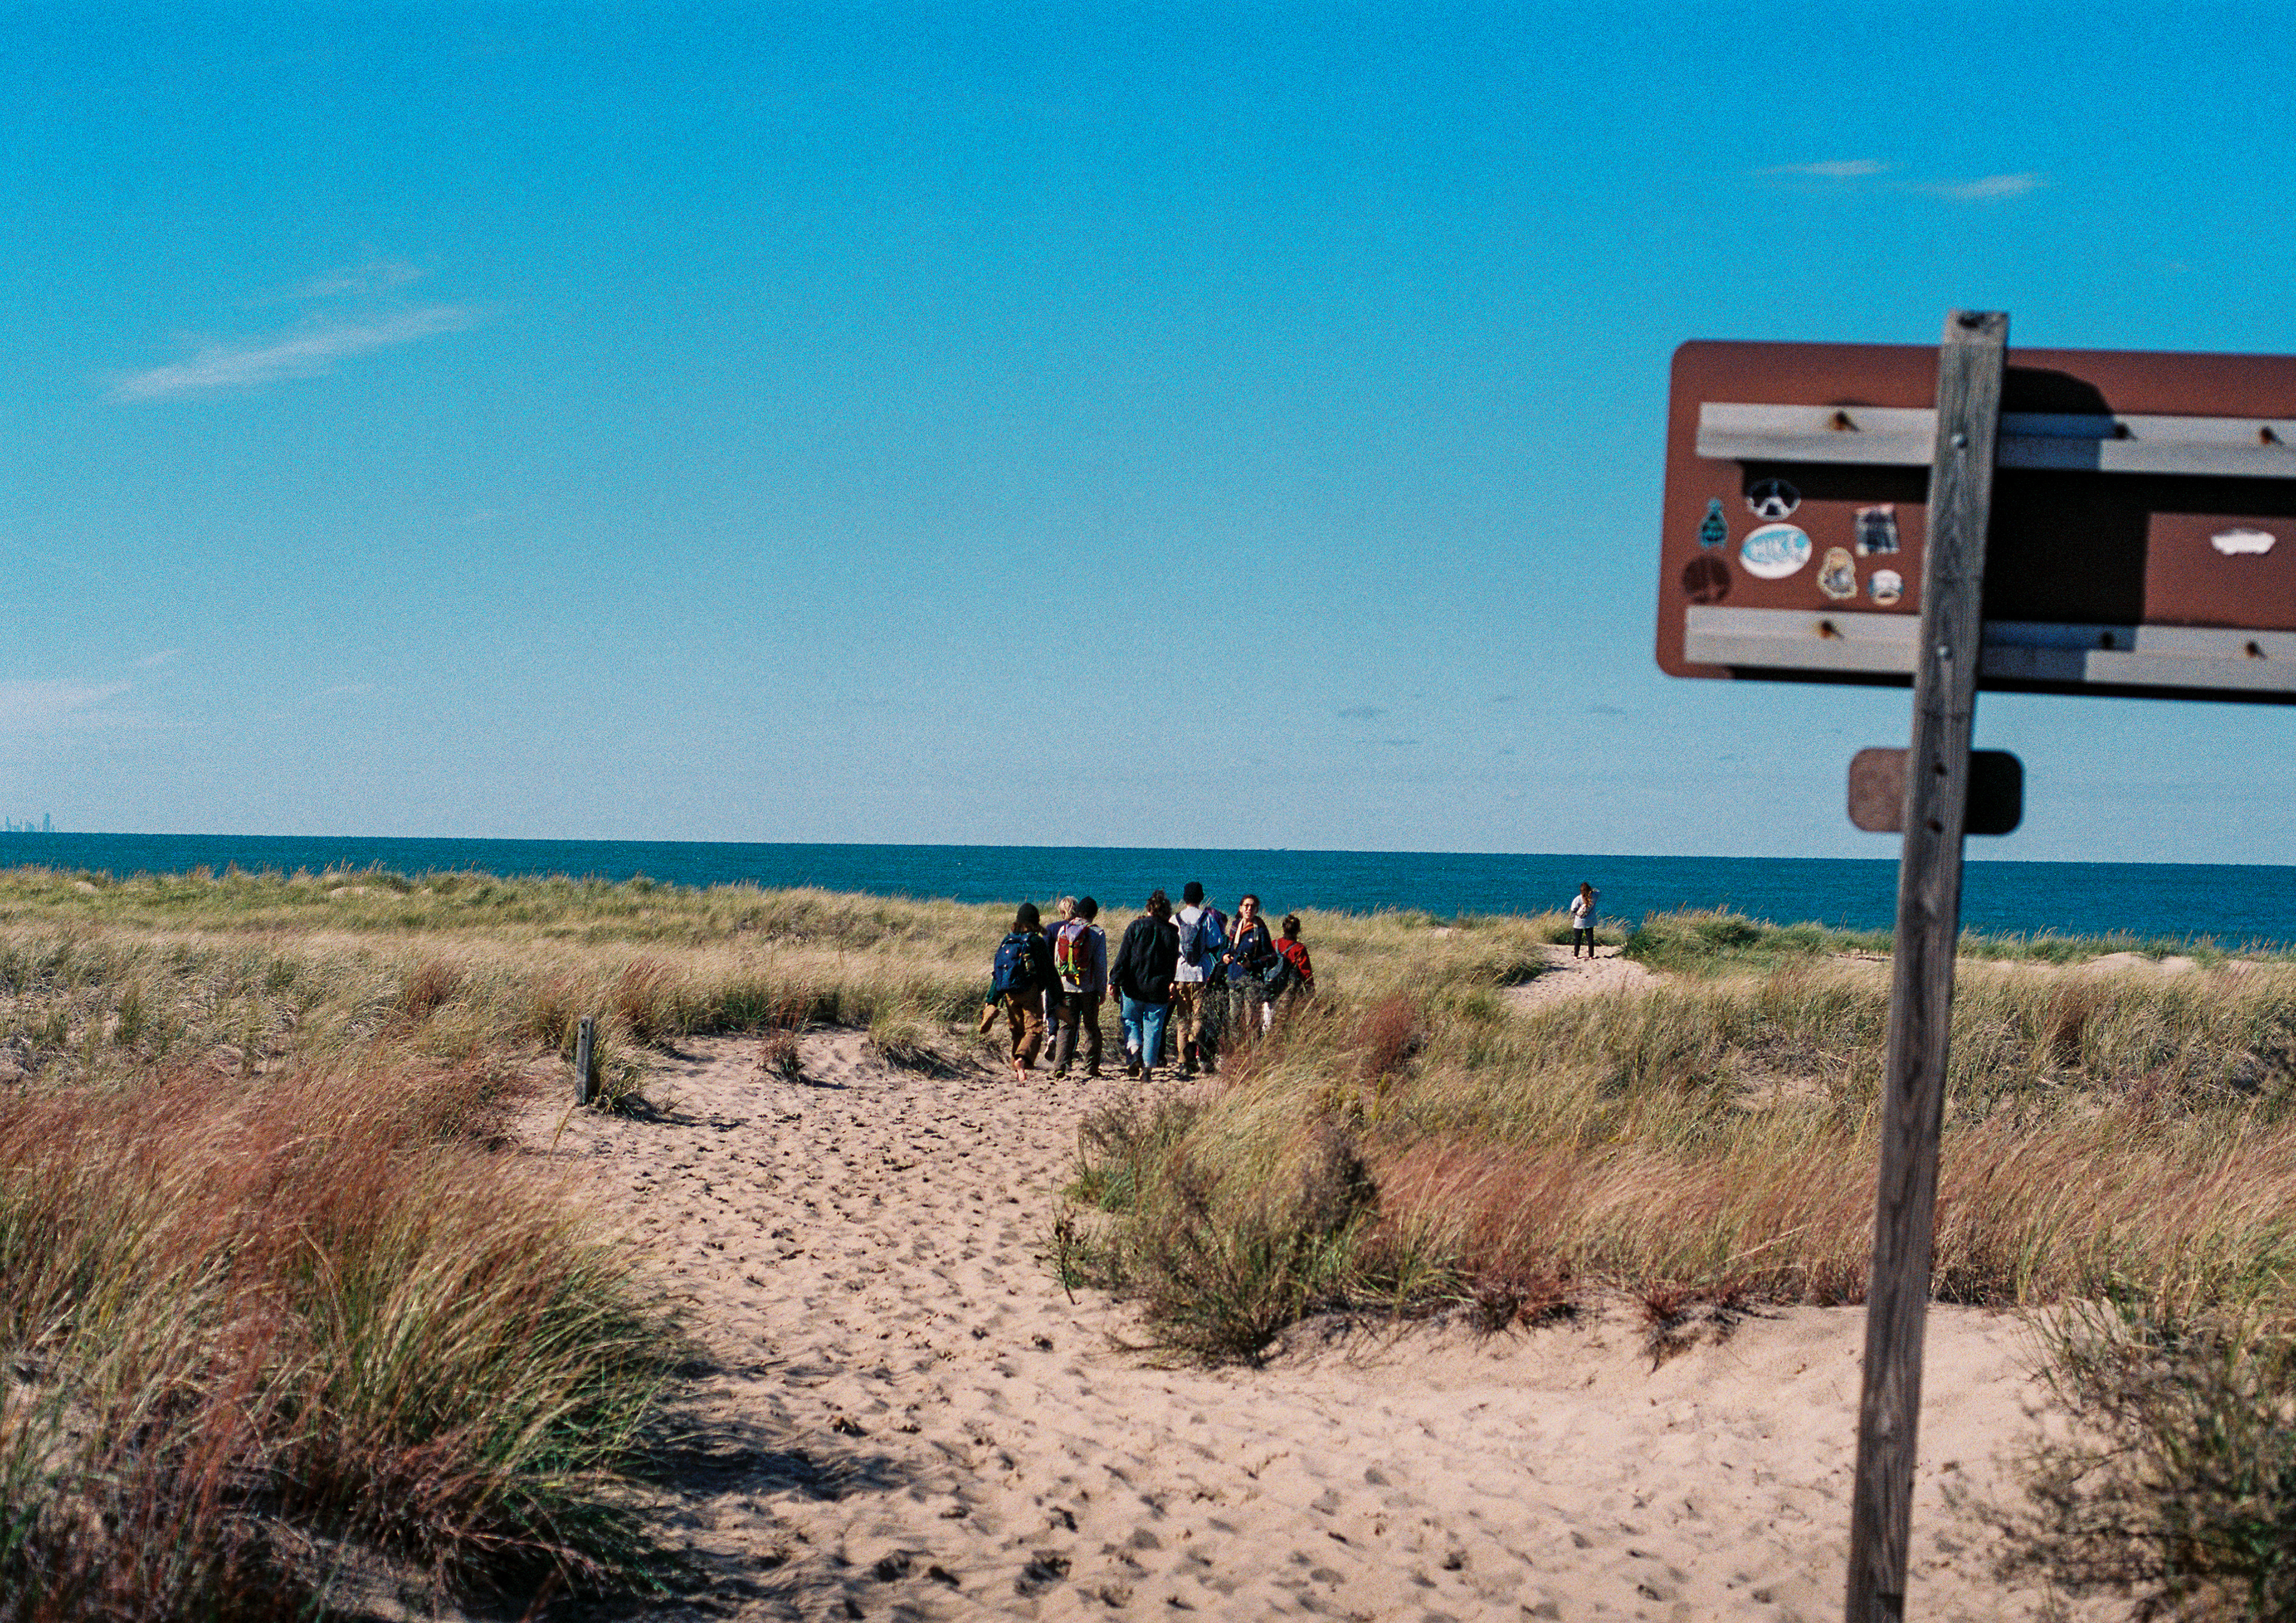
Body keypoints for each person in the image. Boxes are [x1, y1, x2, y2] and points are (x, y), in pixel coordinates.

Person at [1111, 889, 1179, 1079]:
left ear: (1149, 909)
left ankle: (1135, 1053)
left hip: (1133, 985)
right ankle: (1148, 1069)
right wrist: (1172, 983)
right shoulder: (1172, 933)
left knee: (1130, 1020)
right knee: (1153, 1028)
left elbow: (1123, 956)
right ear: (1166, 911)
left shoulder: (1136, 927)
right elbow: (1172, 963)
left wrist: (1114, 980)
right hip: (1158, 988)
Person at [988, 902, 1058, 1081]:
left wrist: (992, 999)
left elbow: (998, 973)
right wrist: (1058, 996)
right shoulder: (1036, 941)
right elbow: (1049, 971)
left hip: (1009, 993)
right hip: (1030, 991)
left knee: (1017, 1029)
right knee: (1034, 1028)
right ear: (1036, 922)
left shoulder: (1008, 940)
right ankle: (1022, 1060)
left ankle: (1016, 1065)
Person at [1170, 880, 1228, 1076]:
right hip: (1201, 974)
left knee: (1182, 1019)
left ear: (1184, 897)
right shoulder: (1207, 919)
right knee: (1199, 1018)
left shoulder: (1175, 919)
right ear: (1201, 897)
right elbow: (1215, 944)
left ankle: (1182, 1061)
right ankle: (1193, 1051)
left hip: (1180, 973)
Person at [1049, 895, 1109, 1079]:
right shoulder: (1097, 933)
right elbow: (1100, 966)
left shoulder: (1064, 930)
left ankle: (1060, 1066)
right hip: (1089, 989)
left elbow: (1058, 961)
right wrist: (1102, 990)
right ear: (1094, 914)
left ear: (1079, 912)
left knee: (1066, 1027)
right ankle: (1091, 1067)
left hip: (1066, 986)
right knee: (1091, 1028)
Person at [1219, 893, 1280, 1040]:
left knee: (1251, 1021)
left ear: (1257, 910)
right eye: (1246, 906)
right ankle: (1235, 1046)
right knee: (1233, 1018)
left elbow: (1272, 957)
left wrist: (1253, 963)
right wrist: (1225, 955)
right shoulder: (1235, 926)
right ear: (1240, 908)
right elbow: (1228, 947)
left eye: (1253, 906)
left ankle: (1252, 1048)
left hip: (1252, 981)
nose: (1249, 909)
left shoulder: (1261, 930)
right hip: (1234, 979)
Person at [1264, 912, 1315, 1026]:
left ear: (1283, 929)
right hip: (1289, 990)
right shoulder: (1299, 949)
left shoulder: (1274, 944)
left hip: (1271, 986)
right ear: (1298, 930)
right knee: (1286, 1022)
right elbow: (1306, 973)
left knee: (1268, 1022)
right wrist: (1311, 994)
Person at [1568, 882, 1601, 959]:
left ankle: (1576, 955)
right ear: (1589, 889)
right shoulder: (1594, 896)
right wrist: (1592, 889)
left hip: (1579, 922)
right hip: (1590, 921)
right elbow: (1598, 891)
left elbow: (1573, 909)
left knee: (1578, 939)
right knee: (1590, 939)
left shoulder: (1578, 899)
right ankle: (1591, 955)